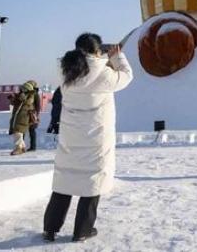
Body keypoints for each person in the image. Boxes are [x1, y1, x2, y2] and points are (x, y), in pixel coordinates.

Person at [43, 33, 132, 243]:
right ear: (97, 51)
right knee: (92, 183)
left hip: (71, 137)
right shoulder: (104, 75)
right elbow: (127, 76)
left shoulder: (67, 72)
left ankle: (50, 228)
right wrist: (117, 57)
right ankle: (83, 230)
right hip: (95, 138)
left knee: (64, 181)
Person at [7, 80, 39, 155]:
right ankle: (22, 147)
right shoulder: (23, 95)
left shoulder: (30, 96)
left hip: (23, 117)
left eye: (23, 88)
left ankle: (19, 148)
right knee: (19, 133)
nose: (21, 90)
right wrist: (12, 98)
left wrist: (37, 115)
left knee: (18, 133)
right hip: (19, 117)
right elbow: (15, 103)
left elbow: (29, 102)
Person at [28, 85, 41, 151]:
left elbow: (38, 106)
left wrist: (36, 115)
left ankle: (33, 147)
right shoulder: (29, 93)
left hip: (33, 115)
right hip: (28, 115)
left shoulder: (35, 94)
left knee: (32, 131)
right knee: (27, 131)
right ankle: (24, 147)